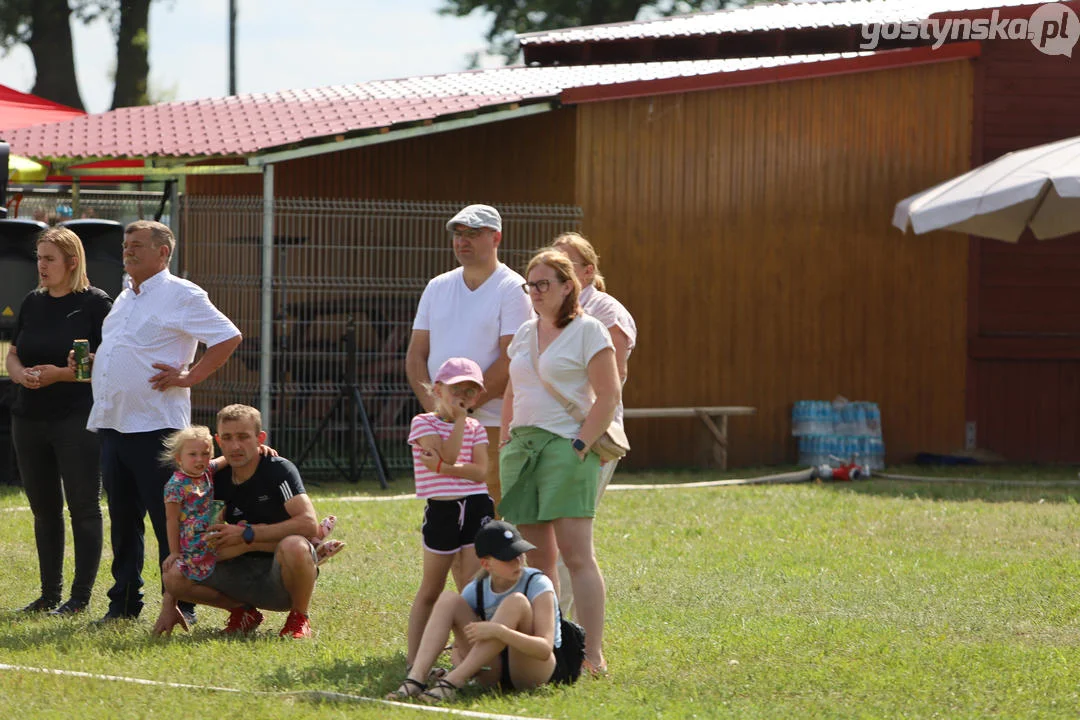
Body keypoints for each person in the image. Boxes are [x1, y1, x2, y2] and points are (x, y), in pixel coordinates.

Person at [86, 219, 242, 624]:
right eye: (126, 245)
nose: (128, 251)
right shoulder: (125, 297)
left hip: (157, 429)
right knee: (123, 521)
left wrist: (191, 376)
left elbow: (227, 336)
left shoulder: (182, 294)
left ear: (163, 252)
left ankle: (182, 604)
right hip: (114, 425)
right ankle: (123, 603)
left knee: (169, 522)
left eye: (137, 245)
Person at [498, 249, 620, 676]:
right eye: (529, 285)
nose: (534, 292)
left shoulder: (589, 330)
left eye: (543, 283)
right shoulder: (524, 333)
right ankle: (548, 651)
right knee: (537, 560)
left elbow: (609, 395)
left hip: (567, 449)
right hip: (523, 450)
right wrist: (505, 440)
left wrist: (580, 445)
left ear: (569, 286)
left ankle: (592, 655)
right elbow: (514, 390)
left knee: (577, 557)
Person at [406, 204, 531, 535]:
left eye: (473, 234)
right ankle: (467, 587)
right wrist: (438, 415)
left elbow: (510, 359)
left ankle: (493, 585)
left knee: (488, 514)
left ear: (496, 238)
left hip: (489, 422)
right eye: (458, 234)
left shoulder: (513, 288)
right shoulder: (437, 287)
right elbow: (416, 356)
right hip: (442, 422)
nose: (462, 241)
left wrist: (461, 409)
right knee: (446, 514)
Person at [8, 226, 112, 615]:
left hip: (76, 416)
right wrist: (20, 375)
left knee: (83, 507)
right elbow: (14, 352)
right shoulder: (32, 301)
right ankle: (49, 594)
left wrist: (61, 374)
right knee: (43, 509)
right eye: (39, 258)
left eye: (49, 258)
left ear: (72, 262)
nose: (41, 265)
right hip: (29, 416)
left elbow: (107, 362)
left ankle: (79, 598)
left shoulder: (96, 303)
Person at [155, 404, 321, 639]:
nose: (235, 446)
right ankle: (242, 612)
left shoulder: (278, 470)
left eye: (244, 437)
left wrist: (248, 534)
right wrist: (169, 604)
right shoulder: (210, 478)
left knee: (295, 545)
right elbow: (192, 536)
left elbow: (307, 524)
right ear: (218, 442)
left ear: (259, 438)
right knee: (174, 574)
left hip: (280, 579)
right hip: (235, 571)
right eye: (228, 438)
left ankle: (298, 618)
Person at [386, 520, 579, 703]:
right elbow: (457, 648)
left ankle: (453, 682)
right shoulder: (476, 589)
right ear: (487, 564)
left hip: (533, 670)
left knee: (517, 602)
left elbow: (545, 649)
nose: (518, 562)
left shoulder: (537, 583)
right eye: (508, 558)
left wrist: (500, 632)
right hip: (491, 671)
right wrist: (458, 657)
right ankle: (415, 679)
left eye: (520, 554)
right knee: (448, 599)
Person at [550, 232, 637, 620]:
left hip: (589, 436)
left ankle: (561, 629)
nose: (558, 271)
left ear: (588, 271)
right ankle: (542, 620)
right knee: (541, 534)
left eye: (567, 264)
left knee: (570, 538)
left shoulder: (606, 311)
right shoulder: (547, 309)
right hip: (547, 433)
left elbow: (613, 380)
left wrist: (583, 440)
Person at [404, 356, 492, 670]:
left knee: (470, 585)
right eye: (457, 389)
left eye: (471, 392)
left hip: (477, 506)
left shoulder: (476, 427)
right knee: (432, 587)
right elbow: (453, 453)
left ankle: (468, 658)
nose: (464, 398)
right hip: (442, 509)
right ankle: (415, 661)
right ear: (438, 389)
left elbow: (481, 472)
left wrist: (443, 467)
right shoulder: (422, 423)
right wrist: (456, 428)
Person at [158, 426, 220, 632]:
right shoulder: (175, 485)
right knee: (182, 575)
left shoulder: (206, 472)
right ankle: (171, 601)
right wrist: (174, 552)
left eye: (205, 453)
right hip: (192, 543)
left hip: (211, 536)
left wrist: (259, 448)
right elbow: (172, 520)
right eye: (192, 454)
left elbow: (226, 459)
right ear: (179, 458)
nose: (199, 459)